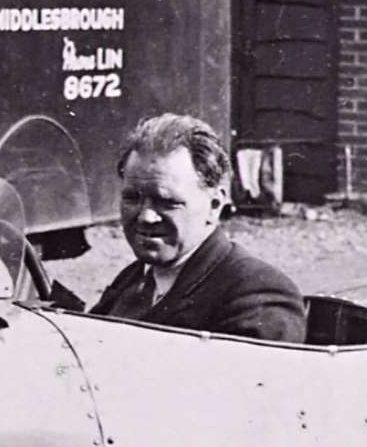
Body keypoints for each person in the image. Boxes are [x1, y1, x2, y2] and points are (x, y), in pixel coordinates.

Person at [89, 113, 306, 342]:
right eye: (132, 198)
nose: (146, 217)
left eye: (168, 202)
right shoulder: (134, 279)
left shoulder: (257, 296)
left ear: (214, 205)